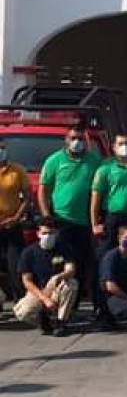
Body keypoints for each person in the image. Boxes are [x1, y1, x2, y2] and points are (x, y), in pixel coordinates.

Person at [39, 123, 101, 309]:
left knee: (82, 264)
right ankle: (58, 303)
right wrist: (46, 216)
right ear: (66, 140)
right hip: (61, 220)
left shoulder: (94, 161)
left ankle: (76, 303)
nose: (77, 142)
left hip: (84, 223)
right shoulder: (54, 160)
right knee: (61, 265)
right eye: (73, 138)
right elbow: (43, 189)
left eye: (80, 138)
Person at [13, 219, 78, 336]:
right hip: (38, 290)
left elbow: (71, 269)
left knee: (72, 284)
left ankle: (60, 322)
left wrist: (59, 277)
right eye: (44, 233)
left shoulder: (63, 248)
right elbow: (27, 281)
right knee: (22, 312)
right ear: (38, 234)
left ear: (56, 233)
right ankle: (44, 321)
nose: (48, 236)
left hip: (57, 287)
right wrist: (44, 298)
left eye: (51, 233)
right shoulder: (28, 252)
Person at [91, 133, 127, 262]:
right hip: (112, 217)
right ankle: (103, 279)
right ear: (113, 147)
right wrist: (95, 224)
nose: (124, 147)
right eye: (120, 144)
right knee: (106, 252)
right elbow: (95, 198)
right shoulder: (105, 168)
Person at [0, 137, 31, 304]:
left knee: (15, 266)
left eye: (2, 147)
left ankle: (21, 302)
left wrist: (16, 217)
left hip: (12, 225)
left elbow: (27, 197)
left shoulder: (18, 171)